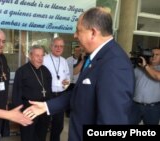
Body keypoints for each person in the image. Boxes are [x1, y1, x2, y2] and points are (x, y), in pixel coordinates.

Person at [24, 7, 135, 141]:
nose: (75, 35)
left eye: (78, 30)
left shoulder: (115, 64)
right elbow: (80, 92)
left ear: (93, 32)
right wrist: (47, 106)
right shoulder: (94, 57)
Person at [12, 45, 52, 141]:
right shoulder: (21, 71)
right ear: (30, 56)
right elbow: (16, 94)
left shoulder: (46, 71)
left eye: (42, 55)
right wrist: (18, 113)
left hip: (43, 110)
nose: (40, 58)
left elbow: (49, 91)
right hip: (28, 110)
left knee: (41, 135)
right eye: (37, 55)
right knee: (28, 137)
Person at [43, 37, 70, 141]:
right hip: (47, 95)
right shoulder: (44, 59)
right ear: (51, 47)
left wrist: (65, 84)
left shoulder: (64, 61)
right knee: (44, 123)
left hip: (60, 95)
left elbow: (67, 78)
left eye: (61, 46)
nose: (59, 48)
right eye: (56, 46)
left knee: (58, 124)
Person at [130, 48, 160, 125]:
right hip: (135, 105)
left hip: (153, 108)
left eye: (157, 54)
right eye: (151, 54)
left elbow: (158, 76)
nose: (153, 56)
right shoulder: (138, 68)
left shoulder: (147, 67)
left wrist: (145, 66)